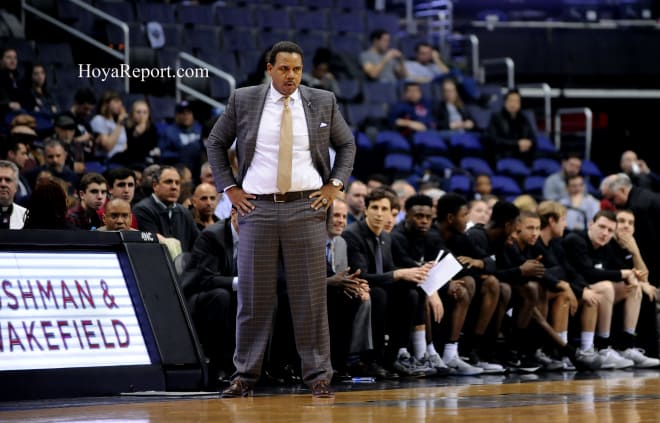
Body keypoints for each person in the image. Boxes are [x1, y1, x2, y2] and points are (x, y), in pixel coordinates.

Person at [205, 41, 356, 398]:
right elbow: (215, 143)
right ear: (269, 68)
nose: (291, 76)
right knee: (254, 298)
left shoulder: (322, 100)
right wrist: (229, 188)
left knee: (310, 297)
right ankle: (245, 375)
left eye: (297, 69)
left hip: (307, 206)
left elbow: (347, 145)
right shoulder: (244, 99)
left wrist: (334, 185)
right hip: (256, 208)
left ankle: (319, 376)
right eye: (284, 68)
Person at [343, 188, 434, 377]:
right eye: (374, 207)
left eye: (384, 209)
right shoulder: (353, 235)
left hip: (378, 291)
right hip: (355, 292)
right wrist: (398, 274)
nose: (379, 213)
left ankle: (393, 357)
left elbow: (389, 270)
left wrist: (416, 273)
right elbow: (362, 276)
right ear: (366, 210)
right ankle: (371, 359)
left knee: (411, 292)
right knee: (380, 294)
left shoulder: (385, 237)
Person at [562, 210, 659, 368]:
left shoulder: (604, 246)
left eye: (609, 230)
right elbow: (588, 273)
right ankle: (602, 347)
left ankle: (627, 346)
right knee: (607, 287)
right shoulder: (576, 239)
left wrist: (636, 274)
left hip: (593, 291)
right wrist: (625, 273)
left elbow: (640, 276)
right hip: (574, 290)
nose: (605, 233)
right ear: (591, 224)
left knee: (633, 286)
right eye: (602, 227)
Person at [179, 210, 240, 386]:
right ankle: (218, 365)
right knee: (221, 297)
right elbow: (206, 278)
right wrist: (242, 283)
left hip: (233, 293)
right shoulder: (212, 236)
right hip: (200, 295)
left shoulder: (259, 235)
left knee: (270, 299)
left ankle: (262, 366)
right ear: (234, 214)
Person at [324, 199, 377, 380]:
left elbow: (343, 277)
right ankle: (333, 362)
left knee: (359, 296)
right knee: (338, 299)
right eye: (336, 215)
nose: (341, 221)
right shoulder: (311, 241)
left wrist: (356, 285)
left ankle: (349, 360)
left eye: (344, 217)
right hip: (313, 291)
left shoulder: (340, 242)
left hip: (333, 290)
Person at [600, 173, 660, 284]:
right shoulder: (642, 194)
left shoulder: (638, 207)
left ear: (622, 190)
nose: (612, 204)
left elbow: (650, 246)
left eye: (612, 199)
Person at [133, 165, 200, 253]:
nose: (174, 187)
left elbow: (198, 243)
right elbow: (153, 248)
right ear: (155, 186)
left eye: (177, 183)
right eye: (168, 182)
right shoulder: (142, 210)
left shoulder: (184, 212)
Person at [485, 88, 536, 166]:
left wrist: (529, 143)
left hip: (523, 155)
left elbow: (532, 138)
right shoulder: (496, 118)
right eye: (511, 101)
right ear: (505, 102)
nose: (514, 104)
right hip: (502, 155)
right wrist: (517, 144)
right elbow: (493, 141)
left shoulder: (524, 119)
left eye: (517, 101)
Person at [159, 101, 204, 176]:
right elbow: (163, 153)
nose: (186, 116)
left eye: (188, 113)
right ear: (176, 115)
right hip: (179, 165)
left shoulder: (199, 128)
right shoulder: (169, 131)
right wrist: (181, 153)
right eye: (182, 113)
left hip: (199, 164)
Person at [114, 99, 159, 166]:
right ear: (132, 113)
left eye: (145, 112)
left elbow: (153, 147)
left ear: (148, 114)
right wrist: (136, 134)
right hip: (129, 160)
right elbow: (128, 149)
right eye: (138, 112)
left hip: (146, 160)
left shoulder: (152, 128)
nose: (142, 115)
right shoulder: (126, 127)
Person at [90, 90, 128, 162]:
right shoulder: (99, 119)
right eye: (116, 101)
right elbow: (107, 146)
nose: (120, 104)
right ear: (106, 103)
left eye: (120, 102)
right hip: (109, 159)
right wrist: (119, 125)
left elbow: (125, 146)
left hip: (122, 158)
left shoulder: (118, 122)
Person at [0, 160, 26, 229]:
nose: (3, 184)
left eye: (7, 180)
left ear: (16, 187)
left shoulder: (25, 216)